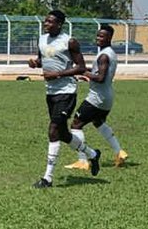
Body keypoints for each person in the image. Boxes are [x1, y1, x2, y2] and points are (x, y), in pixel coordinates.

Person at [28, 10, 101, 188]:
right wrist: (35, 63)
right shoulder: (42, 39)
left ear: (59, 24)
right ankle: (92, 155)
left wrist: (57, 74)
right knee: (63, 134)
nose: (46, 24)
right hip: (50, 92)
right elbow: (42, 59)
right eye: (46, 21)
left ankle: (47, 178)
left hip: (67, 92)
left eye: (50, 22)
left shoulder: (70, 42)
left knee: (53, 130)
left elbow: (81, 67)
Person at [65, 25, 129, 170]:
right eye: (98, 35)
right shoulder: (110, 53)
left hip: (97, 98)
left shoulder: (104, 56)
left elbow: (100, 77)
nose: (98, 38)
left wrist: (83, 73)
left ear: (109, 38)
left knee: (76, 124)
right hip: (107, 98)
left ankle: (82, 160)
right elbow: (98, 71)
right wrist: (82, 69)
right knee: (98, 122)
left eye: (102, 36)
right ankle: (119, 152)